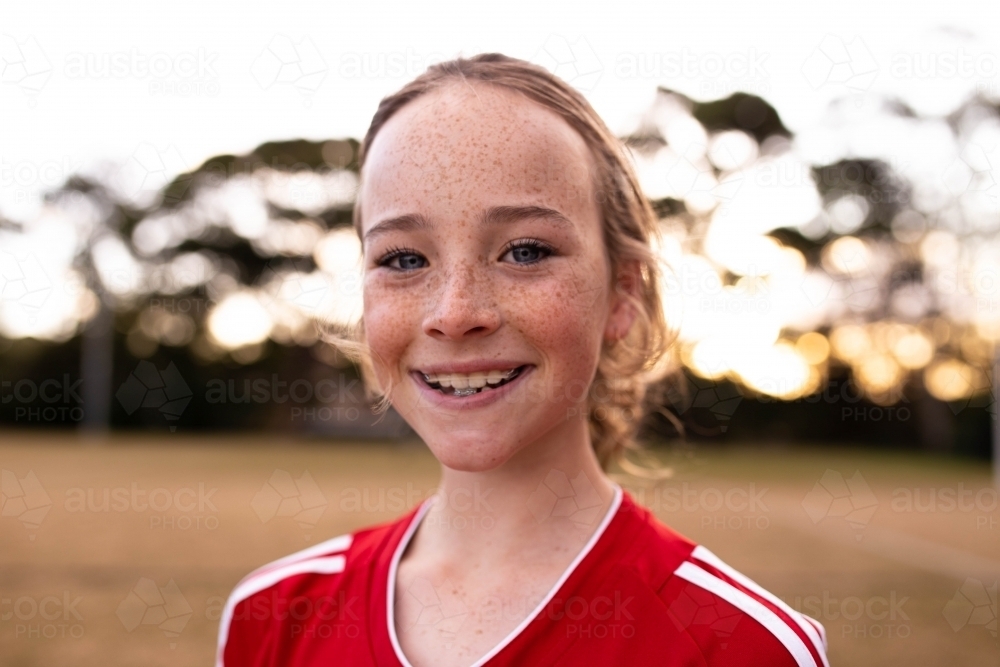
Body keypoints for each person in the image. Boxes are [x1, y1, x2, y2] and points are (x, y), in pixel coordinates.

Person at [216, 53, 829, 667]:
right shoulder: (271, 618)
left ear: (623, 293)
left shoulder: (740, 646)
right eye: (404, 259)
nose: (455, 314)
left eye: (526, 251)